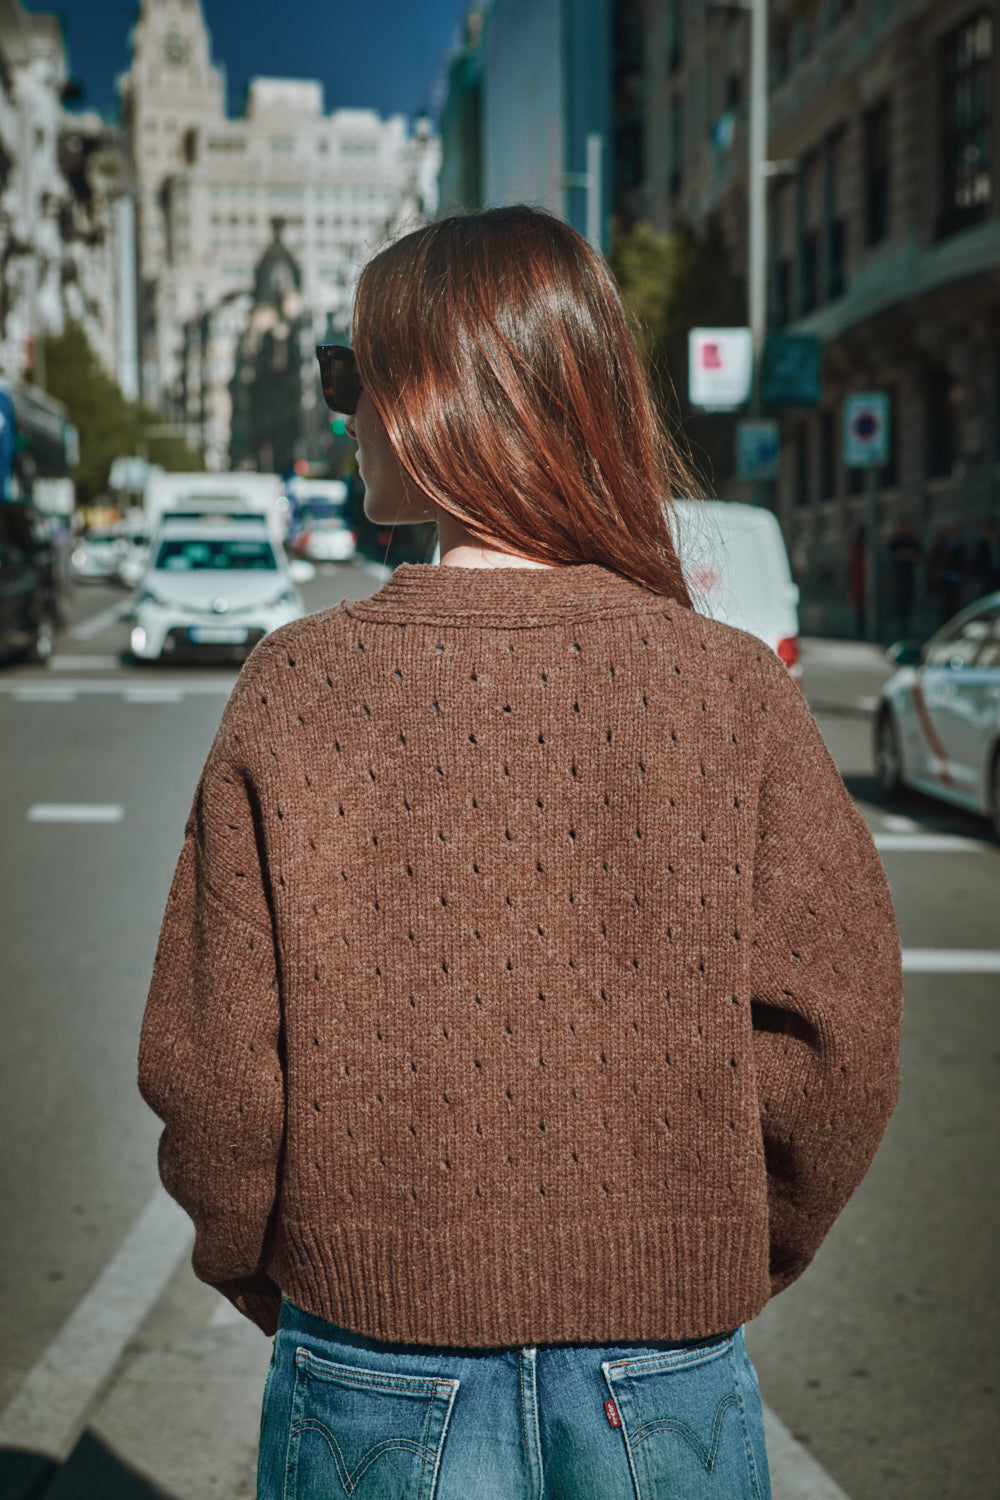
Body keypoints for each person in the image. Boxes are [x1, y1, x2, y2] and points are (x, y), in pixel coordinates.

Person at [138, 207, 903, 1500]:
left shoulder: (297, 687)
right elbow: (840, 1040)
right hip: (669, 1369)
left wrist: (284, 1278)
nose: (344, 413)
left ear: (435, 394)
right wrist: (705, 1253)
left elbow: (215, 1079)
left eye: (353, 376)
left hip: (371, 1359)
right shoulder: (728, 689)